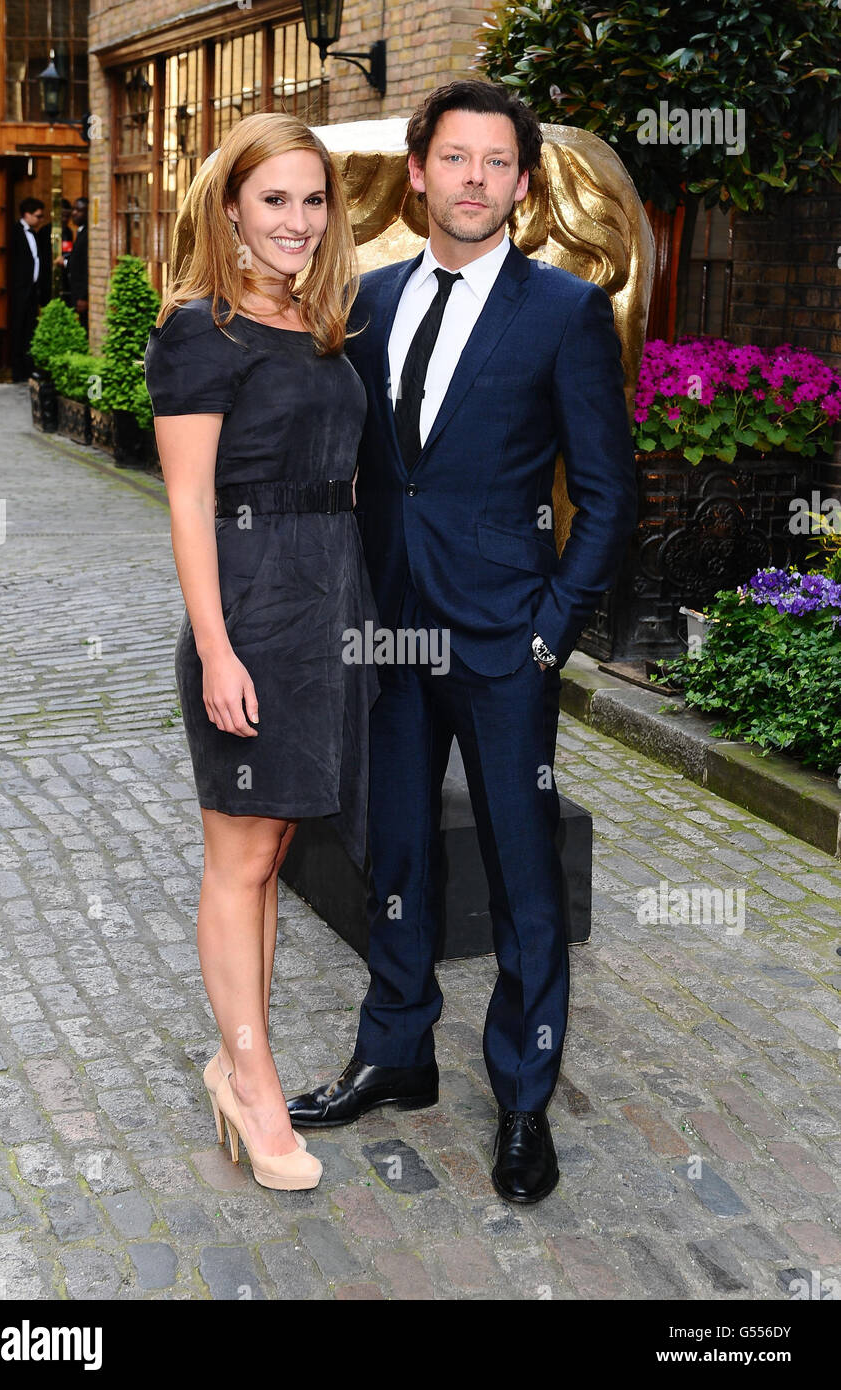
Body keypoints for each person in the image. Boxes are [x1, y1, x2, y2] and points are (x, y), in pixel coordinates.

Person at [287, 79, 639, 1204]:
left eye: (496, 162)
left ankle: (524, 1098)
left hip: (502, 643)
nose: (474, 179)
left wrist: (549, 631)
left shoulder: (562, 312)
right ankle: (396, 1050)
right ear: (419, 171)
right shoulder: (369, 300)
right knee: (394, 852)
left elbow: (606, 491)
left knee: (522, 871)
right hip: (389, 636)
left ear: (521, 185)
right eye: (455, 158)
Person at [143, 112, 379, 1192]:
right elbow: (188, 502)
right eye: (273, 198)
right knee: (239, 856)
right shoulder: (200, 331)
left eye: (312, 199)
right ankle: (249, 1079)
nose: (295, 219)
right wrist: (217, 648)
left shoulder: (323, 320)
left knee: (271, 848)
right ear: (230, 206)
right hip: (246, 612)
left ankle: (241, 1057)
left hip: (327, 604)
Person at [10, 197, 49, 381]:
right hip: (19, 291)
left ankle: (28, 367)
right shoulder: (15, 232)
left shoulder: (34, 233)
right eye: (38, 216)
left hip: (33, 290)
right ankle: (17, 370)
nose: (40, 219)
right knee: (18, 329)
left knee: (30, 330)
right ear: (27, 214)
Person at [67, 197, 89, 331]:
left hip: (82, 295)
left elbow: (88, 267)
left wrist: (83, 297)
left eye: (79, 210)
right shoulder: (80, 231)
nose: (74, 213)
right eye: (74, 209)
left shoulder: (88, 234)